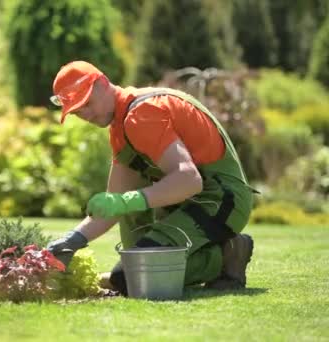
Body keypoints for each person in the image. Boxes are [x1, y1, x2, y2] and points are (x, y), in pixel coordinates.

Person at [46, 60, 255, 295]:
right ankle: (145, 266)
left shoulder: (143, 114)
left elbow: (189, 179)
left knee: (130, 278)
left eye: (87, 103)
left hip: (221, 201)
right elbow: (115, 203)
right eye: (76, 110)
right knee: (132, 268)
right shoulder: (121, 126)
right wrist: (72, 240)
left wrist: (126, 201)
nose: (85, 114)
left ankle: (228, 254)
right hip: (191, 202)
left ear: (103, 83)